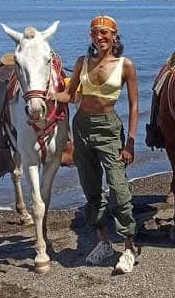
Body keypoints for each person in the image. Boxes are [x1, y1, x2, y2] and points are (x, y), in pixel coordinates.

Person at [55, 15, 140, 273]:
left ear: (115, 36)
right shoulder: (82, 62)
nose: (100, 37)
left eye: (105, 33)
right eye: (95, 33)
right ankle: (103, 241)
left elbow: (135, 105)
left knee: (119, 189)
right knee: (91, 189)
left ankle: (128, 247)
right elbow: (69, 97)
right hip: (81, 128)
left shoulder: (125, 66)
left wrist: (131, 143)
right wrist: (43, 94)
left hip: (109, 129)